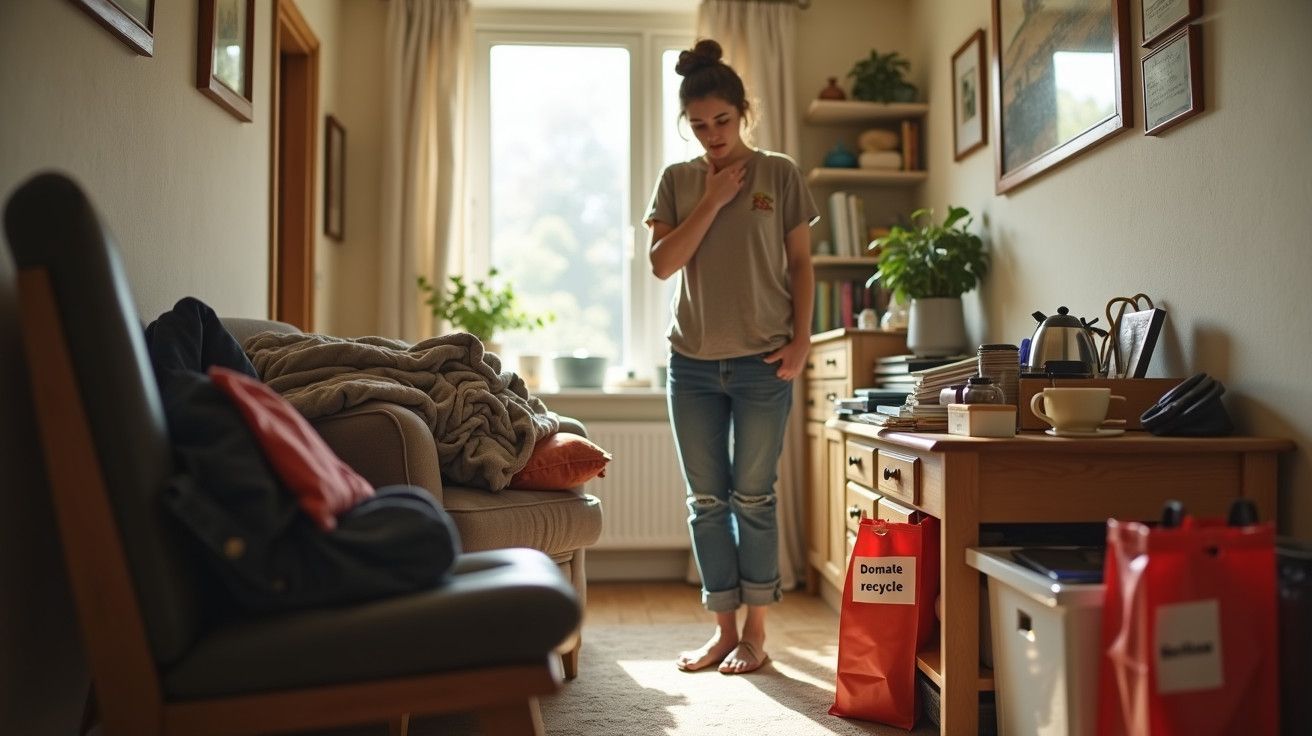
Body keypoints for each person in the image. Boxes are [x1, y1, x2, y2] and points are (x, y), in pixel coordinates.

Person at [645, 38, 818, 675]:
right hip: (690, 364)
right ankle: (723, 630)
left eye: (721, 120)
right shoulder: (678, 181)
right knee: (707, 502)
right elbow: (663, 265)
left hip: (763, 363)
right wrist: (714, 199)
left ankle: (757, 634)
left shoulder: (779, 174)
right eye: (698, 125)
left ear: (743, 111)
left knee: (754, 498)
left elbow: (802, 265)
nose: (712, 134)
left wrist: (802, 339)